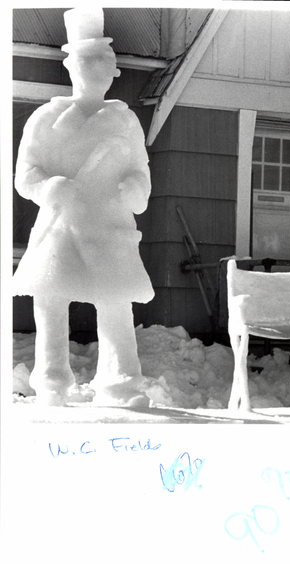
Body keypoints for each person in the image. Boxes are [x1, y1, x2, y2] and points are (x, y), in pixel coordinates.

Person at [13, 8, 154, 407]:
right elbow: (25, 176)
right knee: (51, 301)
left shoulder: (124, 122)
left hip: (109, 227)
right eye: (90, 61)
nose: (100, 71)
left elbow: (140, 170)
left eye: (106, 63)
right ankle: (52, 382)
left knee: (114, 303)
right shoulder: (46, 119)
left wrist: (134, 188)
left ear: (113, 72)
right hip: (61, 226)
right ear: (71, 66)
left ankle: (121, 383)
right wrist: (50, 186)